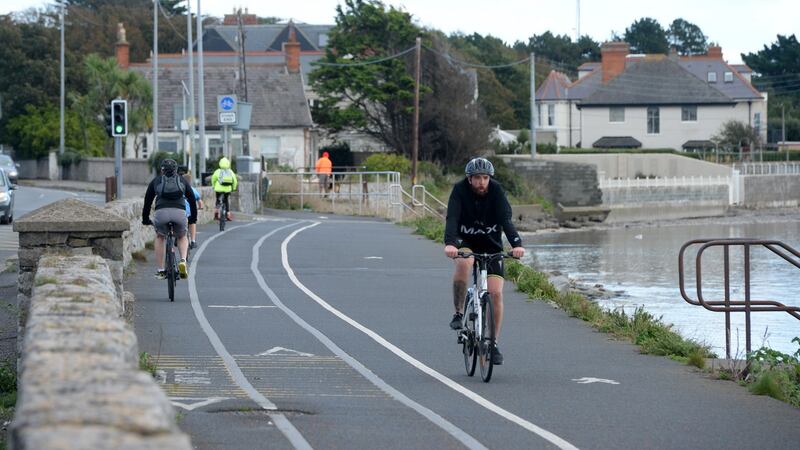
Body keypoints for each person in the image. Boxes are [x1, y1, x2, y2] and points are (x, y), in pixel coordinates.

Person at [443, 157, 525, 365]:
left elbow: (506, 220)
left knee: (496, 293)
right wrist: (450, 244)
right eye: (477, 178)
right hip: (466, 241)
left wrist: (516, 244)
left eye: (485, 178)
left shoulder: (496, 191)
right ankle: (458, 313)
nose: (482, 182)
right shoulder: (459, 190)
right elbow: (452, 218)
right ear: (469, 179)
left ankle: (493, 343)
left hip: (491, 245)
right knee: (464, 262)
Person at [142, 159, 197, 280]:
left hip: (161, 213)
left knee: (160, 237)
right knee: (182, 236)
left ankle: (161, 270)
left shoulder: (156, 181)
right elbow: (192, 200)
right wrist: (193, 219)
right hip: (179, 213)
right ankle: (183, 260)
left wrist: (145, 219)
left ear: (162, 170)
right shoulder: (181, 180)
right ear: (176, 170)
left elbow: (147, 202)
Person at [178, 166, 203, 249]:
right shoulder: (192, 189)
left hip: (179, 211)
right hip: (189, 213)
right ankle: (193, 241)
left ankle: (176, 237)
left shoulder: (178, 188)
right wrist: (200, 208)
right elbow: (199, 201)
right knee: (192, 223)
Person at [211, 157, 237, 221]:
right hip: (227, 189)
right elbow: (235, 181)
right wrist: (233, 188)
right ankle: (228, 215)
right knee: (226, 201)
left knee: (218, 200)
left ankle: (216, 214)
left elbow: (213, 179)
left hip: (218, 189)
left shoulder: (217, 171)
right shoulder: (230, 171)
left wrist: (214, 186)